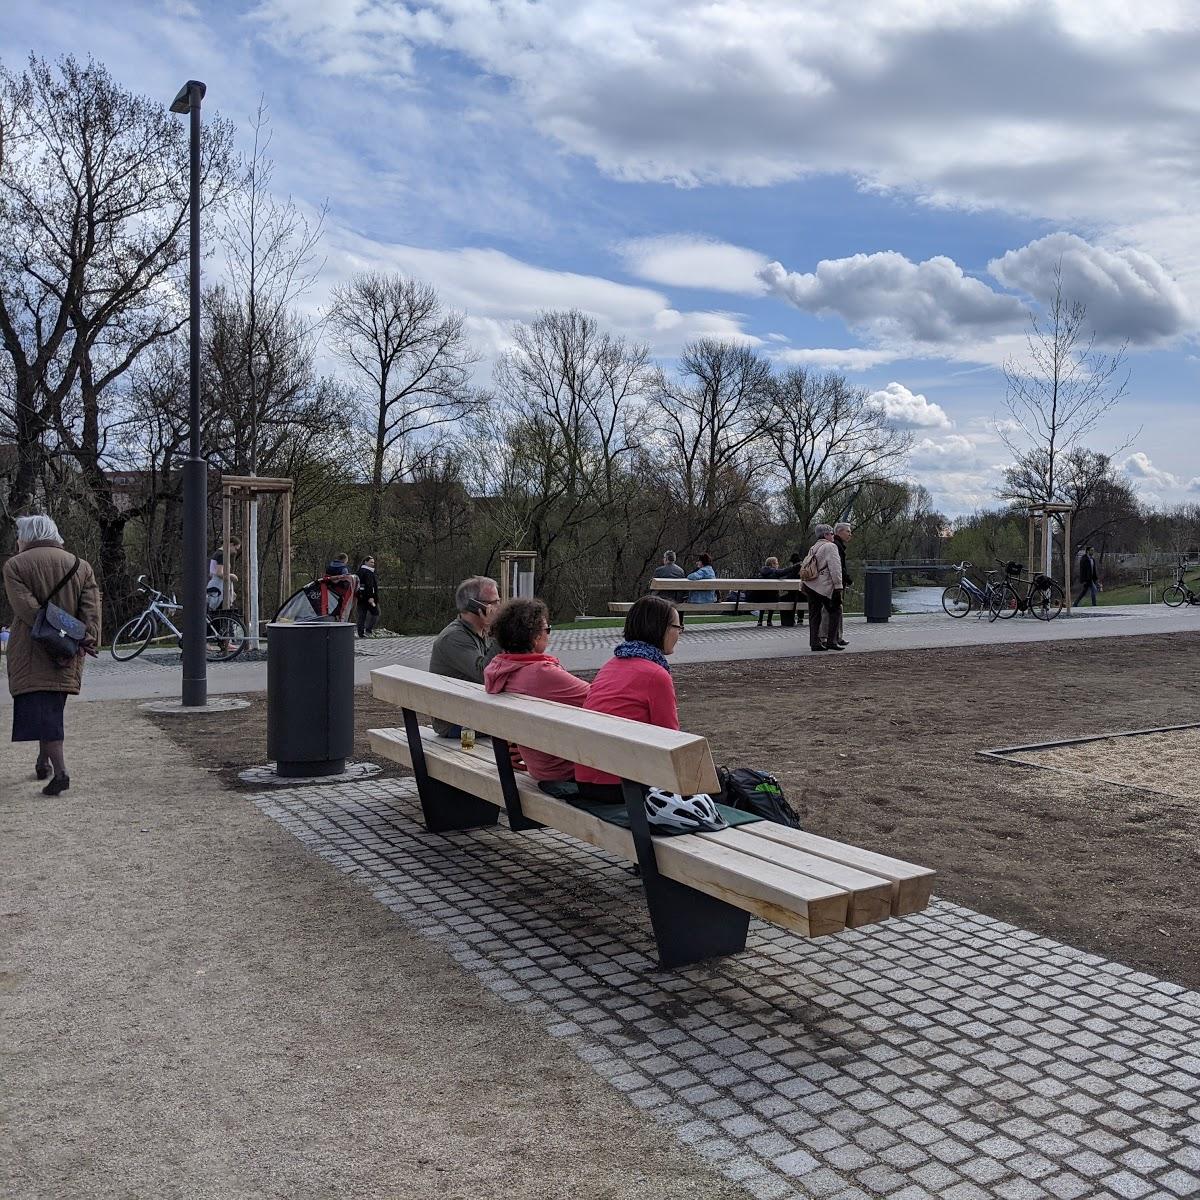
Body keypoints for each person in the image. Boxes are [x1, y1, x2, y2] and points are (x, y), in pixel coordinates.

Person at [3, 514, 102, 796]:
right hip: (69, 650)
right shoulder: (80, 565)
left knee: (43, 709)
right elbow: (91, 609)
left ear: (27, 536)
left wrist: (54, 630)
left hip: (32, 647)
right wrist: (82, 637)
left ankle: (60, 772)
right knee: (51, 707)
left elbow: (27, 609)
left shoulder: (15, 565)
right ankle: (42, 761)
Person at [575, 595, 682, 802]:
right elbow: (671, 739)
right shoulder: (656, 675)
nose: (679, 634)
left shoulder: (612, 664)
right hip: (621, 783)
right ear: (662, 628)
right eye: (678, 627)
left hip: (588, 776)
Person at [484, 597, 589, 789]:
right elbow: (598, 699)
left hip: (538, 764)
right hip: (564, 769)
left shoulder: (501, 669)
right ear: (534, 637)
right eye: (547, 629)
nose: (549, 634)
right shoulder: (541, 673)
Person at [428, 575, 500, 737]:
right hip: (457, 723)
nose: (499, 608)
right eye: (493, 603)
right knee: (525, 727)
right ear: (474, 605)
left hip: (475, 712)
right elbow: (486, 674)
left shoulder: (482, 632)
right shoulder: (454, 638)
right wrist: (498, 633)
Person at [803, 525, 844, 652]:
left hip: (810, 584)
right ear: (825, 535)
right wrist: (838, 586)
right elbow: (835, 568)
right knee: (835, 610)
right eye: (831, 533)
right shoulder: (831, 546)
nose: (833, 536)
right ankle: (832, 641)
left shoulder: (813, 547)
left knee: (814, 614)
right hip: (824, 585)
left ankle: (814, 642)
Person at [821, 522, 853, 648]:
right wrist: (846, 579)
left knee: (836, 610)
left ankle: (836, 636)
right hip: (833, 583)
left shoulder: (838, 546)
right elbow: (837, 567)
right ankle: (827, 637)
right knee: (830, 610)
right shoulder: (835, 546)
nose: (850, 534)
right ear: (839, 532)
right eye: (848, 531)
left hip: (836, 582)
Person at [207, 535, 239, 610]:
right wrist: (232, 576)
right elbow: (219, 573)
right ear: (231, 544)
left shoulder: (217, 554)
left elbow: (211, 573)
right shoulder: (221, 555)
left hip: (216, 586)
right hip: (218, 587)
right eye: (235, 548)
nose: (235, 552)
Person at [777, 552, 804, 628]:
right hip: (804, 595)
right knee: (800, 597)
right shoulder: (804, 567)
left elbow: (789, 578)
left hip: (794, 595)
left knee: (788, 598)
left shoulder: (794, 569)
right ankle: (800, 618)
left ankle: (791, 619)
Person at [356, 555, 380, 638]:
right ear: (365, 562)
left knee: (362, 615)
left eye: (373, 562)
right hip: (369, 599)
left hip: (360, 597)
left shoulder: (359, 571)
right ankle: (368, 630)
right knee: (376, 613)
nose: (373, 564)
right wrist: (371, 597)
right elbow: (370, 586)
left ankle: (360, 633)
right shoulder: (368, 572)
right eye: (371, 562)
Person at [757, 557, 780, 627]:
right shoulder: (775, 573)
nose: (778, 565)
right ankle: (769, 620)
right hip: (773, 596)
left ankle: (760, 620)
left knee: (763, 600)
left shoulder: (761, 572)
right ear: (772, 564)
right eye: (777, 563)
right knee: (774, 597)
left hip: (762, 596)